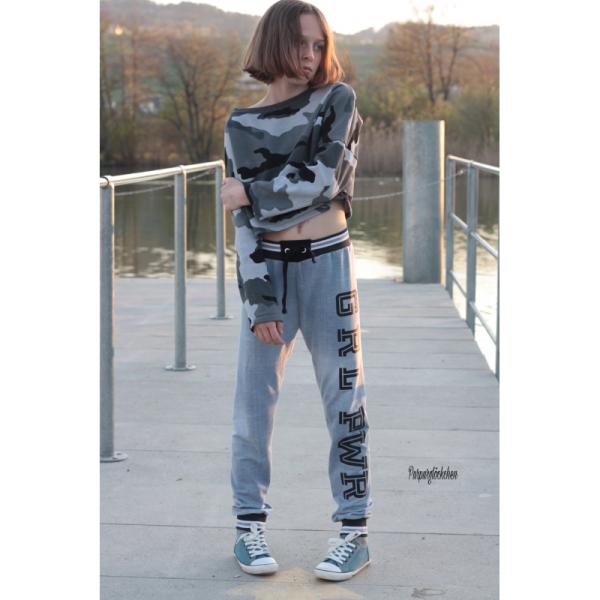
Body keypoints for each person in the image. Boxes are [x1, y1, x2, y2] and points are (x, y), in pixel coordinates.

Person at [220, 0, 373, 582]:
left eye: (318, 45)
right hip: (271, 273)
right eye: (300, 44)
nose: (310, 56)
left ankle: (354, 532)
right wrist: (258, 298)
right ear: (273, 43)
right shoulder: (240, 125)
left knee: (344, 398)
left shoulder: (338, 100)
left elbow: (323, 180)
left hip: (329, 264)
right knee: (253, 405)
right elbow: (245, 226)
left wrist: (252, 192)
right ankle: (248, 528)